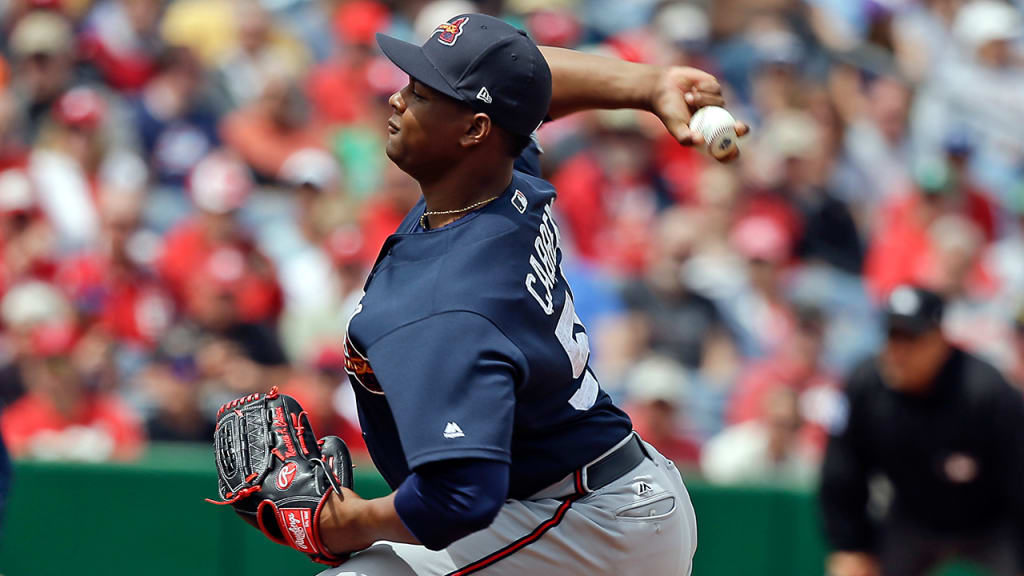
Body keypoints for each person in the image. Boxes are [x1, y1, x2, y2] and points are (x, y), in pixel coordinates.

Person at [306, 14, 746, 576]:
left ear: (474, 131)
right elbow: (526, 82)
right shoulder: (506, 181)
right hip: (595, 495)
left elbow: (463, 495)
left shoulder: (454, 298)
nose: (395, 99)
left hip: (587, 527)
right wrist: (646, 85)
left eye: (419, 91)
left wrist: (347, 522)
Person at [820, 285, 1024, 576]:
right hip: (911, 519)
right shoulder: (865, 386)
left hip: (991, 524)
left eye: (911, 337)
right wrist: (850, 545)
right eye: (892, 336)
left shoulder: (987, 391)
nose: (898, 350)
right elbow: (842, 472)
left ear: (940, 340)